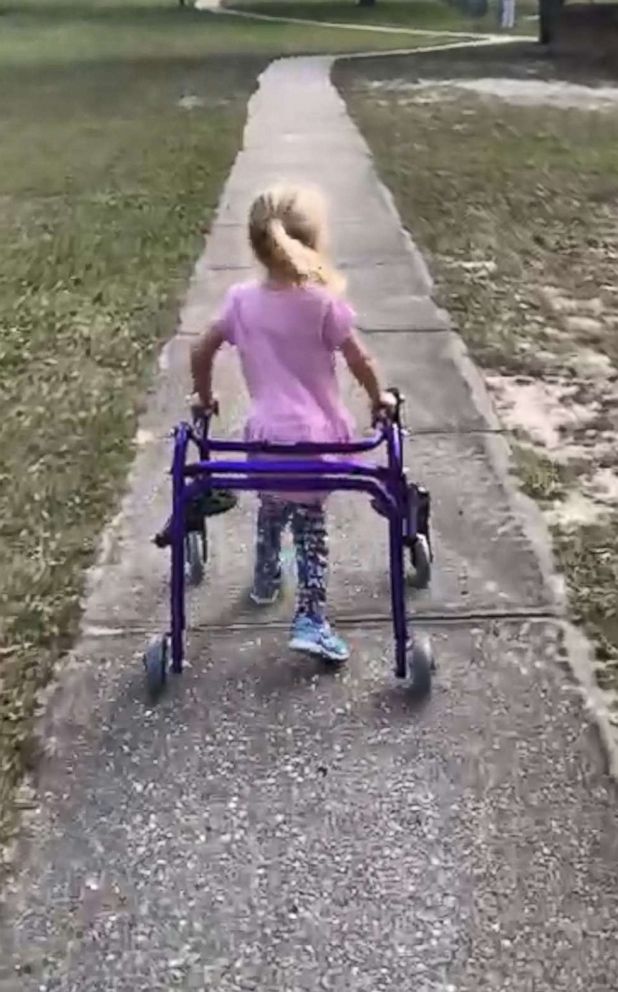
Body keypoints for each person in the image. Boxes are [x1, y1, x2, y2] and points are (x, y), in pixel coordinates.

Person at [191, 184, 394, 663]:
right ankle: (311, 618)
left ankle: (264, 583)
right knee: (310, 528)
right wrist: (378, 397)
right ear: (314, 242)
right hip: (317, 443)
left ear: (256, 244)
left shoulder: (241, 301)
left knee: (271, 508)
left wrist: (204, 398)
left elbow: (201, 350)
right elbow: (360, 359)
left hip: (264, 441)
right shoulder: (323, 304)